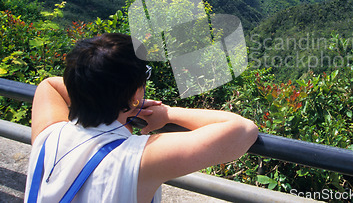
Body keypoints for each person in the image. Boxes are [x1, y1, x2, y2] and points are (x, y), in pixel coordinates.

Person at [25, 33, 258, 203]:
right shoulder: (138, 158)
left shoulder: (48, 135)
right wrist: (167, 113)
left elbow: (49, 85)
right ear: (136, 91)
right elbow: (243, 130)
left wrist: (117, 102)